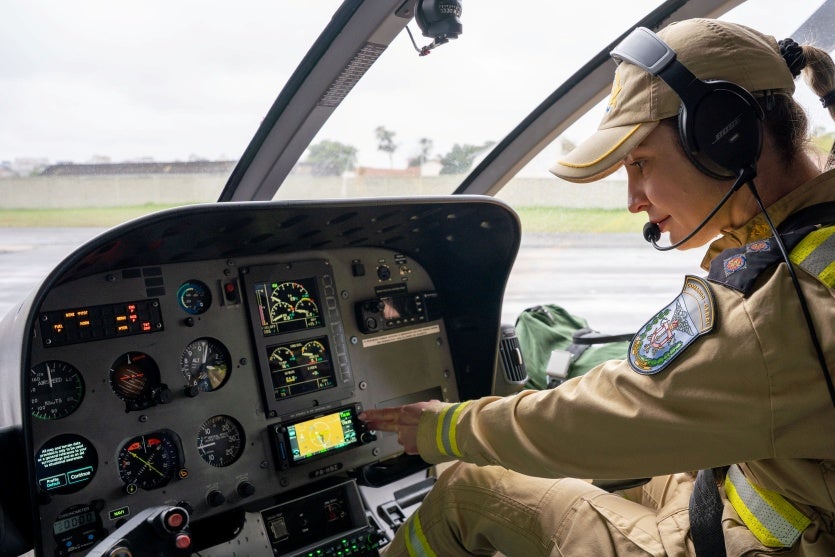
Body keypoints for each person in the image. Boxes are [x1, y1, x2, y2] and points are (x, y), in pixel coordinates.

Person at [360, 17, 835, 557]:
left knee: (466, 489)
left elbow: (612, 411)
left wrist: (442, 429)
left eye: (640, 163)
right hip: (754, 487)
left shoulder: (778, 305)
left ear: (724, 136)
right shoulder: (812, 235)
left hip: (758, 538)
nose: (632, 201)